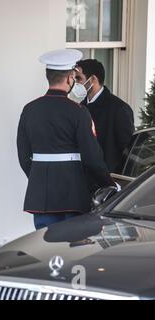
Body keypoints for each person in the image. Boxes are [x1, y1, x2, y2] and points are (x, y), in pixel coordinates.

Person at [17, 49, 115, 230]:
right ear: (70, 78)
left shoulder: (29, 110)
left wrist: (40, 177)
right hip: (72, 194)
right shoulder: (78, 111)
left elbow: (23, 156)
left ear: (48, 76)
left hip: (41, 195)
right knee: (71, 249)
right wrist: (108, 184)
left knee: (44, 247)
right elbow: (92, 157)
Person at [74, 59, 135, 172]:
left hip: (109, 180)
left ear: (93, 79)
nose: (75, 83)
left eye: (78, 78)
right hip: (83, 178)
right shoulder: (80, 108)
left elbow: (128, 152)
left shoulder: (119, 109)